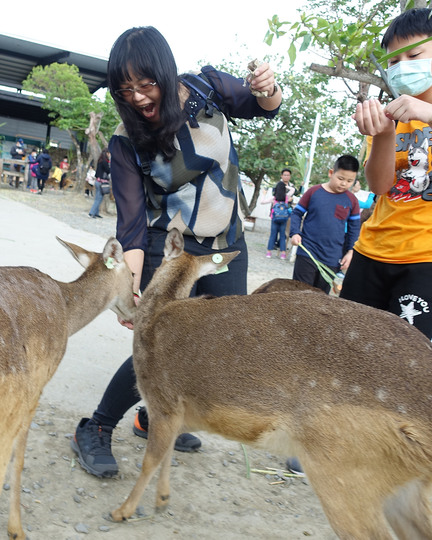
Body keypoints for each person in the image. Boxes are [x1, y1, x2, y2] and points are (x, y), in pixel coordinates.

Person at [70, 26, 282, 478]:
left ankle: (151, 416)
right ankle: (97, 426)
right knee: (160, 344)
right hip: (169, 252)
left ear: (166, 73)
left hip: (227, 246)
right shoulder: (126, 142)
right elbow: (129, 224)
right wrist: (130, 286)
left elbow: (264, 107)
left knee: (220, 343)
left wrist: (269, 88)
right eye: (125, 91)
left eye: (146, 85)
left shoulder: (208, 88)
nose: (139, 98)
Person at [344, 8, 432, 348]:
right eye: (393, 60)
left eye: (414, 54)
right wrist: (384, 136)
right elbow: (379, 187)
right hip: (370, 252)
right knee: (346, 358)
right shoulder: (388, 114)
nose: (402, 65)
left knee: (408, 371)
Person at [289, 155, 361, 294]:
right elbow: (297, 213)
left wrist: (350, 251)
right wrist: (295, 233)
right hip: (307, 253)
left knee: (321, 297)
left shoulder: (352, 200)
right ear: (331, 173)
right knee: (299, 294)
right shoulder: (314, 192)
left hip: (332, 258)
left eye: (349, 181)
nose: (344, 184)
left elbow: (354, 229)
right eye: (340, 178)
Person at [265, 168, 294, 258]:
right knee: (283, 235)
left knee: (273, 234)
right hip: (284, 216)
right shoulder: (286, 196)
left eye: (288, 175)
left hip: (275, 216)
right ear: (281, 175)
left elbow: (264, 201)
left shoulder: (275, 196)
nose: (286, 176)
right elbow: (292, 190)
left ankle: (269, 252)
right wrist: (285, 186)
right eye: (284, 175)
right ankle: (283, 254)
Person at [88, 149, 110, 218]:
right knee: (99, 198)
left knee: (98, 198)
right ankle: (92, 212)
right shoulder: (105, 162)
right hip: (102, 183)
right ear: (106, 153)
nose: (110, 155)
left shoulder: (100, 161)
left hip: (98, 181)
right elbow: (108, 170)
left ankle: (96, 213)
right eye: (109, 153)